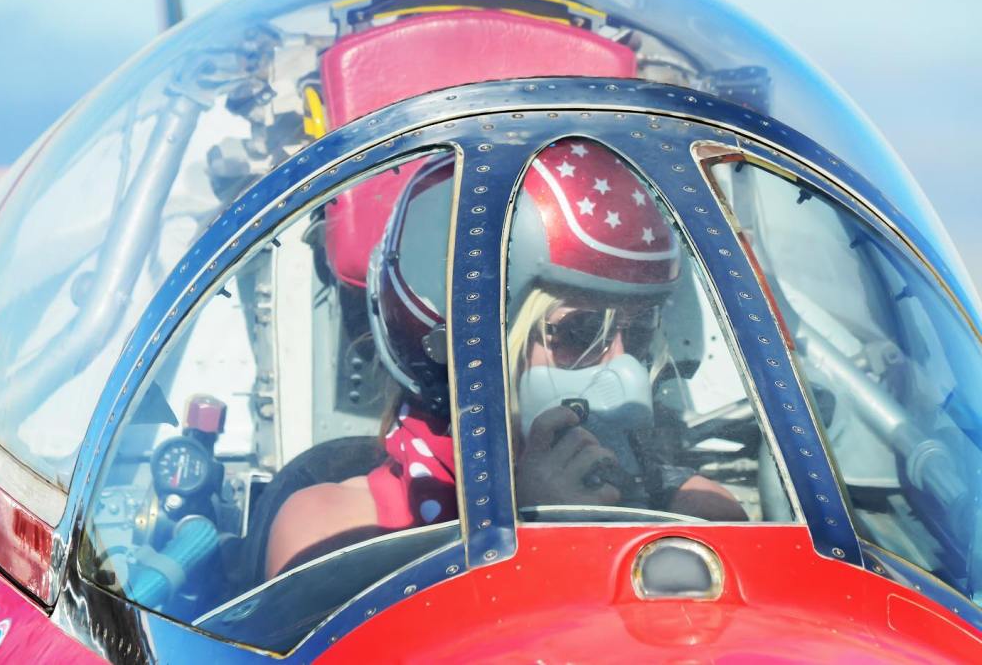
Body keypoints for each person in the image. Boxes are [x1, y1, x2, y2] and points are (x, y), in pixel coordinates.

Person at [265, 139, 744, 579]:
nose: (624, 369)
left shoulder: (696, 519)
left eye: (638, 333)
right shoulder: (333, 534)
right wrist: (535, 535)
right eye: (579, 332)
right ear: (466, 344)